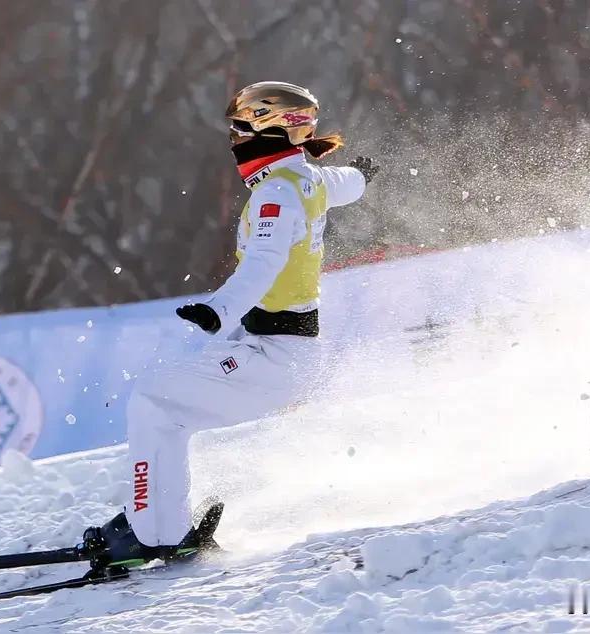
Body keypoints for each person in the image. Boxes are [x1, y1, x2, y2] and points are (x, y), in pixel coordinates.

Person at [83, 81, 378, 568]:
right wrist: (362, 177)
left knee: (152, 400)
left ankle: (154, 533)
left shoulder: (277, 195)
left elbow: (263, 263)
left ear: (274, 131)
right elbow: (343, 183)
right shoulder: (306, 179)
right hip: (279, 349)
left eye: (241, 129)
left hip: (276, 355)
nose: (234, 141)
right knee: (164, 410)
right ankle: (157, 523)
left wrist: (219, 310)